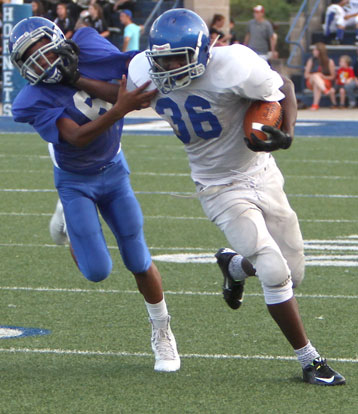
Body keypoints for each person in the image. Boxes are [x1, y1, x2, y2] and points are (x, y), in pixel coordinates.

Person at [63, 8, 345, 386]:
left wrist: (287, 133)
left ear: (201, 51)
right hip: (217, 185)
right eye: (162, 59)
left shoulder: (236, 64)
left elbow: (286, 89)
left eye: (178, 58)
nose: (170, 67)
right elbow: (122, 97)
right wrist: (76, 79)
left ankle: (234, 267)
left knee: (294, 272)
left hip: (262, 173)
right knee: (275, 272)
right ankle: (310, 360)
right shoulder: (144, 71)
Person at [9, 16, 180, 373]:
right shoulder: (30, 99)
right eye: (31, 56)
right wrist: (118, 107)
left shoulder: (88, 44)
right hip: (74, 181)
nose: (40, 59)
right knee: (97, 271)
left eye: (42, 47)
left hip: (114, 171)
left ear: (58, 39)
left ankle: (162, 330)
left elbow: (137, 93)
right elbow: (76, 136)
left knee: (138, 258)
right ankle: (72, 225)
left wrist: (78, 79)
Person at [304, 42, 336, 110]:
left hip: (325, 81)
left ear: (320, 51)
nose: (313, 52)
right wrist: (315, 75)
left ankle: (315, 105)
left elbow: (332, 76)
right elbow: (306, 75)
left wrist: (322, 76)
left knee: (317, 84)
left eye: (315, 50)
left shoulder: (329, 61)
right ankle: (325, 91)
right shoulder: (311, 61)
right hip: (311, 81)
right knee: (315, 76)